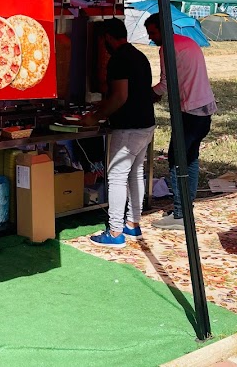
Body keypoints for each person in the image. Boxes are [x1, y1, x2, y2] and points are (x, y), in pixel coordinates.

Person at [81, 18, 155, 248]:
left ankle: (115, 232)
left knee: (116, 176)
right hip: (146, 124)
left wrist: (95, 116)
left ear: (107, 38)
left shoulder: (119, 59)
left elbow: (120, 96)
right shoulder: (139, 55)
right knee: (135, 173)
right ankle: (132, 224)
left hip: (129, 128)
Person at [144, 13, 217, 231]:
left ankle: (180, 214)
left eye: (153, 32)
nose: (152, 37)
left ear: (163, 29)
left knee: (177, 161)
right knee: (191, 159)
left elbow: (165, 85)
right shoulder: (189, 42)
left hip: (189, 111)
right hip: (204, 109)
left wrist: (142, 97)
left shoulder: (168, 48)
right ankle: (185, 208)